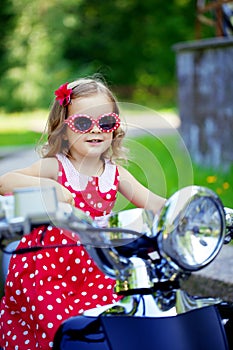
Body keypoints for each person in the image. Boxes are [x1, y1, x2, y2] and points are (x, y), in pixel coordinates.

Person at [0, 77, 166, 349]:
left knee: (106, 326)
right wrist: (49, 187)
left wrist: (194, 210)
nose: (95, 129)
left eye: (106, 122)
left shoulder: (115, 174)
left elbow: (155, 203)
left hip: (94, 269)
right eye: (82, 123)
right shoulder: (56, 167)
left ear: (115, 128)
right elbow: (6, 181)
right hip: (46, 271)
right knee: (59, 329)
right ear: (64, 130)